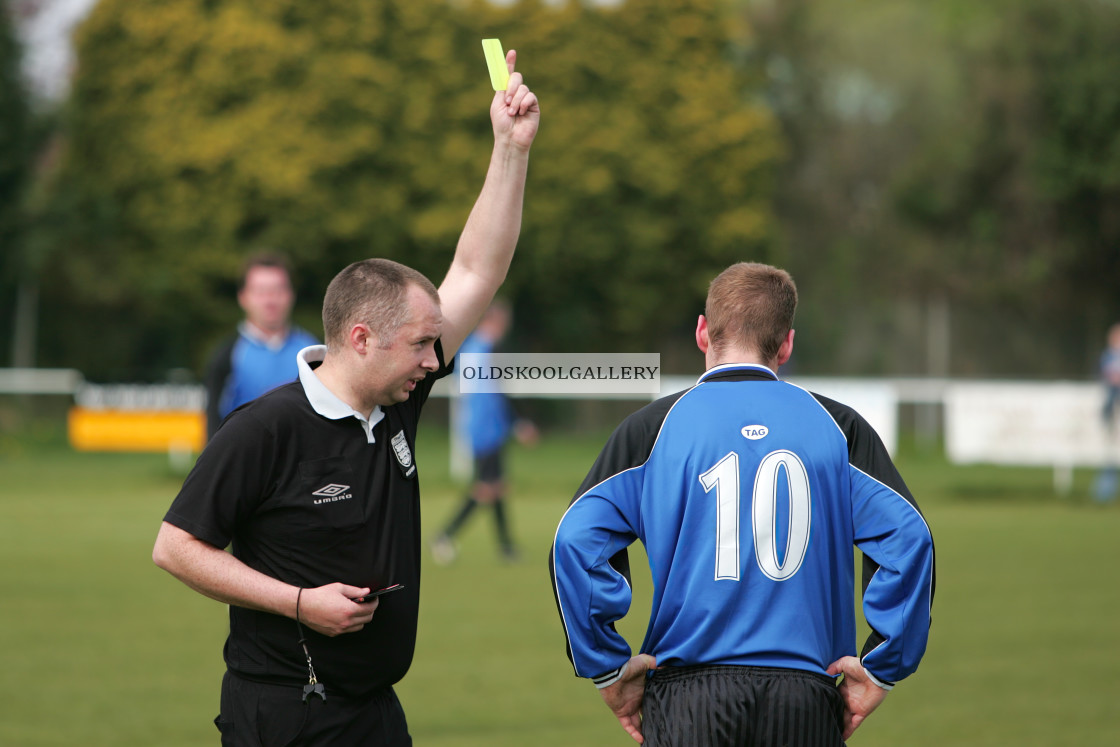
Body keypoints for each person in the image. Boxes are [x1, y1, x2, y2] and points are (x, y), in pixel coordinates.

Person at [152, 50, 539, 746]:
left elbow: (477, 265)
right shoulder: (265, 427)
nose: (435, 358)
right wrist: (299, 603)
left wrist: (509, 151)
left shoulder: (397, 399)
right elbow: (175, 545)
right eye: (421, 343)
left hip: (374, 713)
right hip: (282, 716)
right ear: (361, 337)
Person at [550, 262, 935, 746]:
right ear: (787, 343)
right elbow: (910, 539)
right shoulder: (839, 428)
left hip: (688, 695)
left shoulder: (651, 429)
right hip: (805, 695)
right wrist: (883, 665)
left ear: (702, 332)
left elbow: (574, 542)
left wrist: (606, 666)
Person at [431, 300, 538, 563]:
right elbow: (502, 388)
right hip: (489, 427)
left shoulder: (471, 347)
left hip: (477, 424)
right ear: (496, 320)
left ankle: (506, 548)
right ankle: (444, 536)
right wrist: (520, 423)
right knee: (485, 488)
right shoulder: (492, 348)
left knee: (497, 485)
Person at [204, 252, 320, 440]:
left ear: (291, 295)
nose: (270, 300)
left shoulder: (313, 351)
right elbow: (212, 422)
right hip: (246, 463)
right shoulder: (228, 355)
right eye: (261, 291)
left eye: (277, 290)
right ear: (243, 297)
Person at [1093, 323, 1120, 501]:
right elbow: (1103, 375)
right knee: (1109, 450)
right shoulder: (1106, 357)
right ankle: (1105, 489)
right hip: (1111, 409)